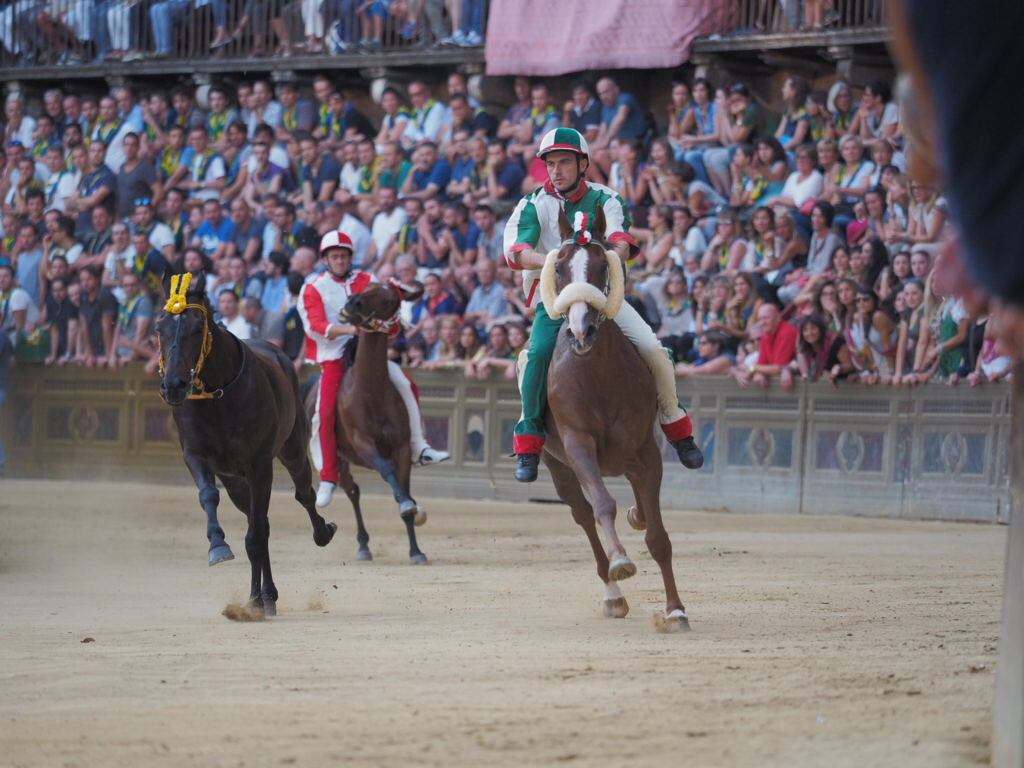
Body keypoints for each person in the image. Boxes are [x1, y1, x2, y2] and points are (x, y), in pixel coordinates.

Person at [503, 128, 702, 481]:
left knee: (654, 351)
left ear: (583, 164)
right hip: (556, 300)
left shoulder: (607, 197)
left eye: (564, 162)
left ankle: (677, 427)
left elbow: (622, 243)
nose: (556, 170)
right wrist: (558, 258)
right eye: (550, 163)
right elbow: (517, 252)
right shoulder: (532, 203)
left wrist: (601, 253)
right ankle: (529, 443)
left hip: (602, 297)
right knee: (536, 356)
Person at [297, 230, 449, 507]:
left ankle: (419, 446)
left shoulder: (366, 280)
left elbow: (388, 297)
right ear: (326, 260)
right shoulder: (313, 288)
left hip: (366, 349)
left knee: (406, 384)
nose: (340, 261)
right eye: (335, 257)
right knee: (325, 411)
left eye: (344, 256)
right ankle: (328, 476)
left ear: (350, 258)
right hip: (333, 355)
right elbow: (315, 326)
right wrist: (353, 329)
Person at [735, 303, 798, 388]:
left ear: (778, 318)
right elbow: (762, 364)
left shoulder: (786, 333)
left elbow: (778, 368)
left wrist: (754, 369)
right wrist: (759, 373)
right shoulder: (766, 337)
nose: (763, 322)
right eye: (760, 319)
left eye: (767, 318)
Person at [109, 271, 153, 367]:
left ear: (138, 285)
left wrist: (132, 357)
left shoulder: (143, 301)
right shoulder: (124, 303)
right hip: (122, 354)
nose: (129, 288)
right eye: (126, 285)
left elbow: (142, 332)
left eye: (132, 285)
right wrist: (112, 355)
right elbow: (118, 329)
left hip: (137, 356)